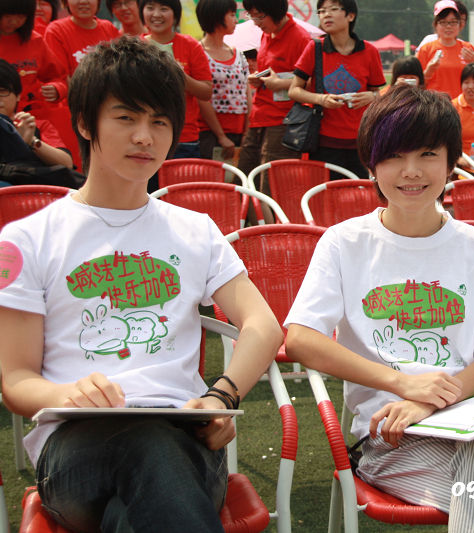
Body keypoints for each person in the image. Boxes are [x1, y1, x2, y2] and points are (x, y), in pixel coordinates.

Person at [0, 36, 282, 532]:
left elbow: (263, 324)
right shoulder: (29, 238)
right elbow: (16, 380)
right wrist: (68, 393)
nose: (144, 138)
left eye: (159, 122)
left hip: (186, 439)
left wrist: (221, 397)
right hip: (75, 449)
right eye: (126, 118)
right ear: (85, 122)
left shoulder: (194, 230)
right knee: (149, 446)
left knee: (135, 501)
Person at [284, 84, 474, 532]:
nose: (411, 172)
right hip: (393, 436)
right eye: (394, 156)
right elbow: (301, 339)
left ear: (451, 162)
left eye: (427, 154)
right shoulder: (345, 242)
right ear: (371, 163)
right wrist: (405, 385)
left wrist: (434, 400)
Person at [288, 0, 384, 180]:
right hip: (323, 141)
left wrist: (371, 96)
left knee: (358, 192)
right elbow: (294, 90)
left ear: (351, 16)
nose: (326, 15)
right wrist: (321, 99)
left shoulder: (369, 51)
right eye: (322, 11)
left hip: (360, 141)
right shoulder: (315, 48)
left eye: (333, 9)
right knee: (325, 193)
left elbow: (378, 94)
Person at [237, 0, 310, 187]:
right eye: (252, 16)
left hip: (283, 122)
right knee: (243, 178)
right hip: (259, 117)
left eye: (260, 16)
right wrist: (258, 79)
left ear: (276, 11)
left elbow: (312, 81)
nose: (256, 22)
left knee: (271, 184)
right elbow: (270, 70)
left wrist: (281, 84)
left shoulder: (301, 39)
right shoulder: (266, 34)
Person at [42, 0, 119, 169]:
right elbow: (62, 77)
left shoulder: (108, 28)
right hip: (75, 115)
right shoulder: (56, 30)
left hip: (109, 112)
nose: (83, 2)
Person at [140, 0, 212, 161]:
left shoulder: (190, 45)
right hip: (144, 136)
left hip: (183, 138)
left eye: (164, 9)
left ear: (175, 15)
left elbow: (206, 92)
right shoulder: (136, 46)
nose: (156, 14)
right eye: (150, 8)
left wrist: (180, 76)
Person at [0, 58, 77, 187]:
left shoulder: (34, 125)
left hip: (34, 191)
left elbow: (66, 163)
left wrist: (31, 141)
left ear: (18, 95)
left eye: (3, 92)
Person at [195, 0, 249, 161]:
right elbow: (201, 97)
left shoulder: (238, 54)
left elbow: (246, 92)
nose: (236, 20)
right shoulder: (198, 52)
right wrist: (221, 136)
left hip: (239, 132)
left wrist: (247, 132)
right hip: (209, 134)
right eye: (231, 15)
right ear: (217, 17)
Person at [416, 0, 474, 99]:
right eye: (443, 22)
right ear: (436, 25)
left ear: (459, 24)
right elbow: (416, 85)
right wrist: (428, 72)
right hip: (435, 105)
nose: (448, 26)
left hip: (461, 105)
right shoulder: (426, 50)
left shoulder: (468, 49)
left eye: (453, 22)